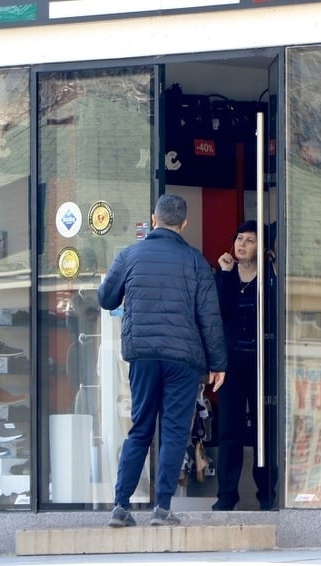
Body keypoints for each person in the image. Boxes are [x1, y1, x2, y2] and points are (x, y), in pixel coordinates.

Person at [98, 194, 227, 527]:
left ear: (154, 219)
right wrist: (218, 364)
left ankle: (120, 506)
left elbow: (106, 297)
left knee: (139, 429)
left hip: (142, 355)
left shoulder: (130, 255)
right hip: (183, 360)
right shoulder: (196, 262)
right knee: (173, 433)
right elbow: (209, 317)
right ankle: (162, 509)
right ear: (183, 224)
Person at [212, 220, 279, 511]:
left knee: (265, 430)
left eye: (250, 240)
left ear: (261, 247)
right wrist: (225, 275)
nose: (242, 244)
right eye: (239, 238)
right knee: (229, 431)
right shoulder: (225, 274)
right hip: (231, 365)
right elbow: (218, 312)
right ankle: (226, 496)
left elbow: (275, 313)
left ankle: (267, 495)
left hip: (261, 363)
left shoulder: (269, 277)